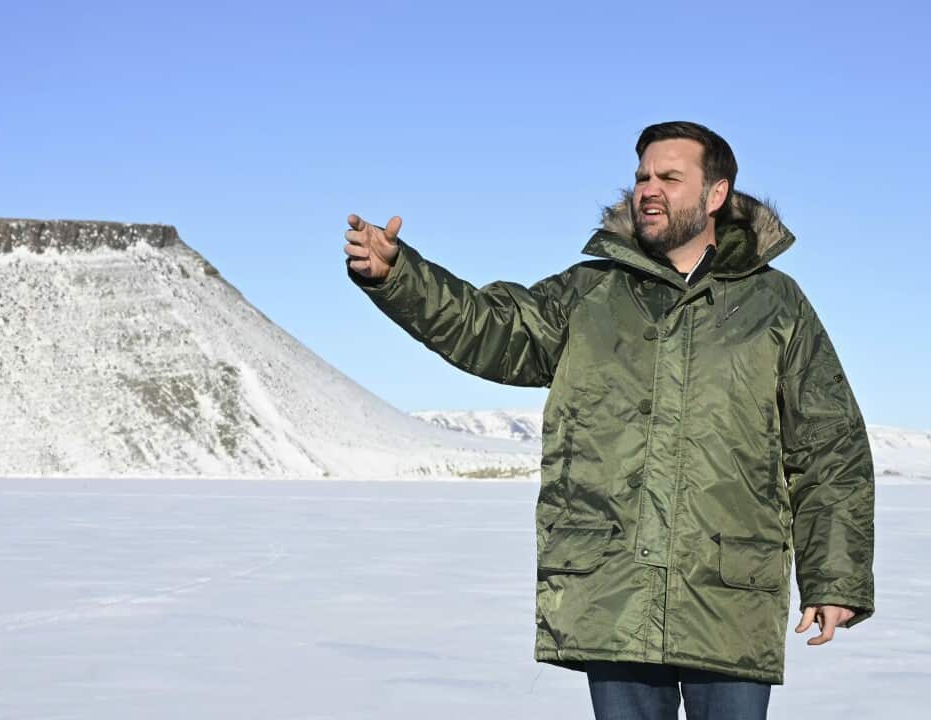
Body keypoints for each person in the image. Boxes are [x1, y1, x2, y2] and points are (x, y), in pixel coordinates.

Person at [343, 121, 875, 720]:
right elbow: (491, 330)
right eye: (643, 176)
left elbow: (829, 448)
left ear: (716, 194)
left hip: (730, 592)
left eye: (670, 177)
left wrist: (835, 579)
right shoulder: (588, 293)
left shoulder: (777, 304)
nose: (649, 188)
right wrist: (399, 277)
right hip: (614, 586)